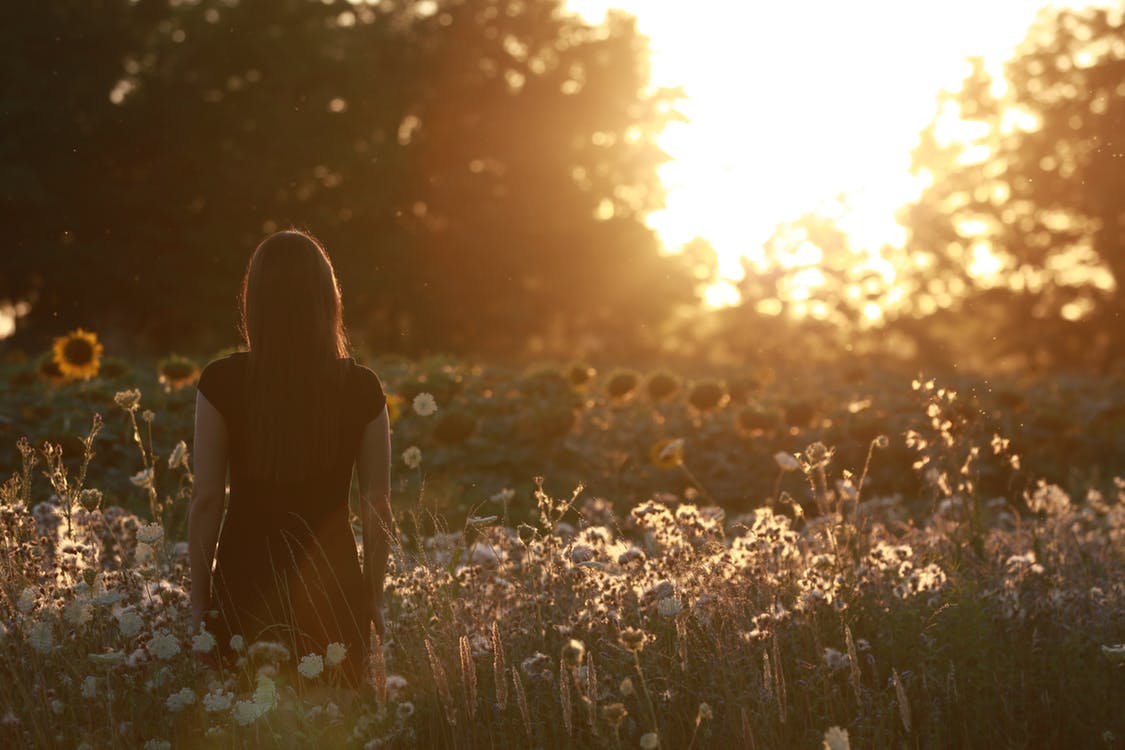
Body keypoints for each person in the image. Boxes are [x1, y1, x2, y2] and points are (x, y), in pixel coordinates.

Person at [188, 229, 393, 689]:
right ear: (328, 300)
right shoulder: (362, 388)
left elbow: (206, 499)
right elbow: (377, 505)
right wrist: (373, 597)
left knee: (244, 721)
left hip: (244, 583)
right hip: (334, 584)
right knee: (334, 721)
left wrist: (200, 602)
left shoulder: (220, 382)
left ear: (254, 301)